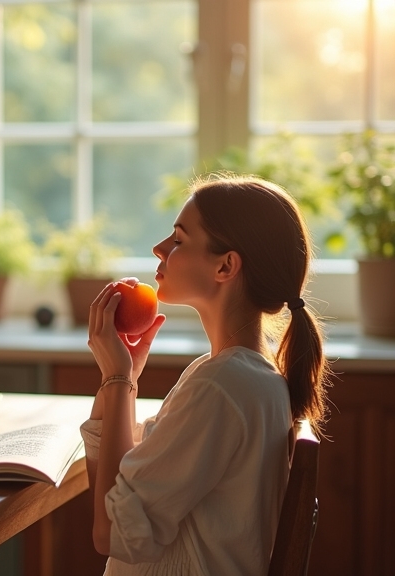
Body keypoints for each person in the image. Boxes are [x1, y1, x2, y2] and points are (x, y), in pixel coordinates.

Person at [80, 175, 330, 575]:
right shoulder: (234, 373)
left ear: (226, 266)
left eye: (178, 240)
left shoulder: (222, 384)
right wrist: (121, 381)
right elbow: (119, 492)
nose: (159, 248)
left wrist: (118, 379)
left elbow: (111, 534)